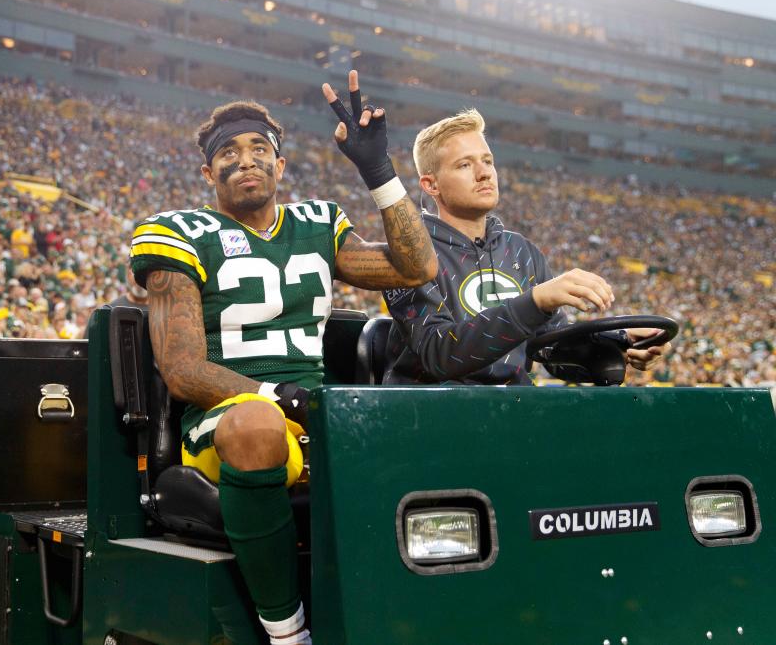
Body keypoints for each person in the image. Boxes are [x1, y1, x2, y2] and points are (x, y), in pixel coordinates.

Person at [128, 70, 437, 645]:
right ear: (206, 172)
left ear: (280, 164)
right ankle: (287, 632)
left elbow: (417, 268)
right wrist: (275, 397)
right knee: (256, 423)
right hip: (228, 424)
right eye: (228, 153)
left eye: (259, 149)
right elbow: (182, 368)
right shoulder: (177, 232)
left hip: (312, 418)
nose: (245, 161)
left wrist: (378, 171)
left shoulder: (318, 224)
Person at [382, 109, 669, 385]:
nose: (484, 173)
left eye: (488, 161)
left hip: (514, 413)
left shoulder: (521, 251)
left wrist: (618, 343)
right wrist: (534, 302)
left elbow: (550, 350)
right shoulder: (409, 253)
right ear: (431, 185)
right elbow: (438, 354)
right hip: (430, 418)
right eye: (465, 164)